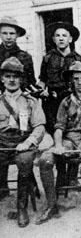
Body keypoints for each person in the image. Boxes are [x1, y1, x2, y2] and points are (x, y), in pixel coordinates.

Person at [35, 61, 81, 223]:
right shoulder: (66, 101)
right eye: (76, 79)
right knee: (45, 159)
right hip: (70, 141)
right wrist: (58, 145)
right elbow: (59, 127)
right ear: (71, 81)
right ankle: (51, 205)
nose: (79, 82)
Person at [0, 57, 45, 227]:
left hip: (23, 144)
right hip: (2, 144)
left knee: (24, 162)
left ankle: (22, 207)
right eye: (8, 76)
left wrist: (29, 142)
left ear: (21, 79)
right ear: (2, 78)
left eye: (16, 76)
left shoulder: (30, 101)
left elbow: (40, 126)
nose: (11, 80)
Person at [0, 17, 37, 198]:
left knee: (23, 136)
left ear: (17, 35)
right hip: (1, 104)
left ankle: (28, 183)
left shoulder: (25, 57)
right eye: (5, 33)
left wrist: (27, 97)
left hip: (20, 104)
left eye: (12, 33)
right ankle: (2, 187)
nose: (8, 37)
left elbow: (30, 82)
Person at [38, 21, 81, 134]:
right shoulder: (47, 58)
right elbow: (42, 80)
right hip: (52, 100)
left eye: (64, 35)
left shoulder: (79, 59)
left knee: (72, 128)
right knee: (53, 129)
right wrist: (40, 91)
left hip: (73, 99)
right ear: (54, 39)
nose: (61, 38)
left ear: (70, 39)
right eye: (57, 35)